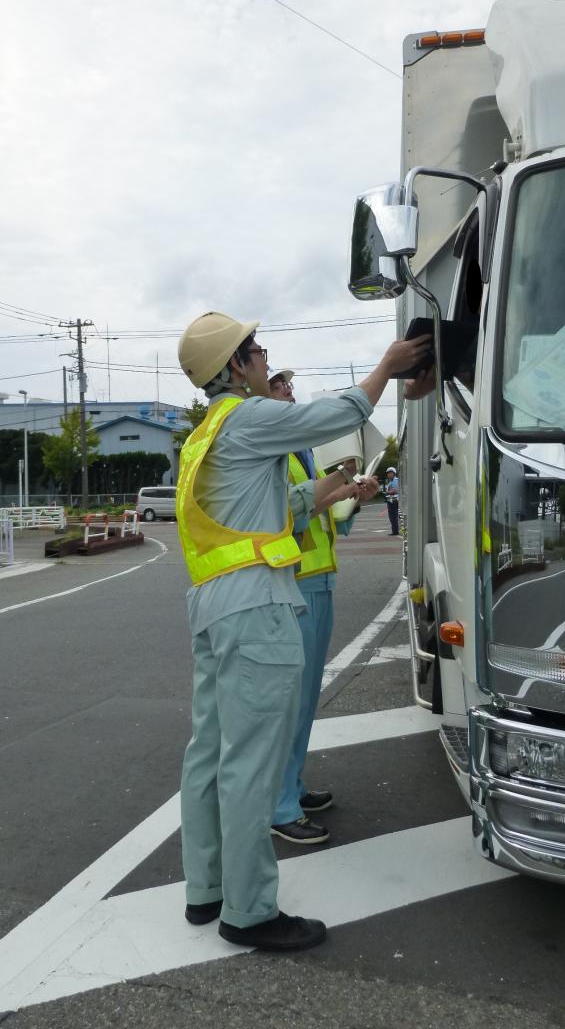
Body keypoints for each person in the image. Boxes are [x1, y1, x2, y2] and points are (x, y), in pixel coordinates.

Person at [176, 311, 431, 952]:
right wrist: (386, 368)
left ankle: (205, 890)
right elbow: (334, 414)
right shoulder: (248, 417)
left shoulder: (205, 436)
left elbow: (277, 508)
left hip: (213, 607)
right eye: (257, 351)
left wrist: (333, 491)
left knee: (209, 754)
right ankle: (251, 911)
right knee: (252, 764)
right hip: (256, 609)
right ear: (234, 366)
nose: (265, 360)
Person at [268, 368, 379, 846]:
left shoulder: (301, 450)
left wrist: (351, 497)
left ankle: (292, 787)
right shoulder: (271, 449)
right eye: (279, 385)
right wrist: (338, 481)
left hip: (319, 580)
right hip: (296, 584)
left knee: (307, 698)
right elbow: (286, 513)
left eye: (291, 385)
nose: (290, 392)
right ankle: (279, 804)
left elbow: (322, 516)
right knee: (290, 703)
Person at [384, 466, 400, 536]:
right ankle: (395, 530)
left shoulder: (395, 480)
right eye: (388, 473)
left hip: (394, 501)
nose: (389, 474)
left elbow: (395, 490)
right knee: (393, 517)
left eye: (390, 473)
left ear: (394, 473)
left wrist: (387, 492)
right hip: (391, 500)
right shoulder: (390, 481)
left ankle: (395, 531)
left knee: (393, 516)